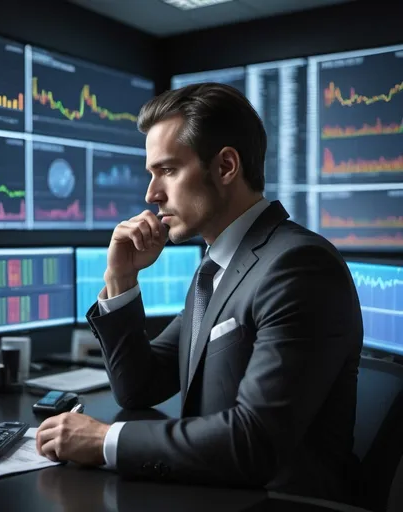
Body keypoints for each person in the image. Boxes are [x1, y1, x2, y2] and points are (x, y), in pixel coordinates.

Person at [36, 83, 363, 504]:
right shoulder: (216, 269)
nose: (151, 194)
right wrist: (120, 280)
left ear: (226, 166)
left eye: (168, 171)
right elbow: (140, 386)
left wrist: (105, 441)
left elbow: (253, 442)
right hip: (212, 490)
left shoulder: (299, 267)